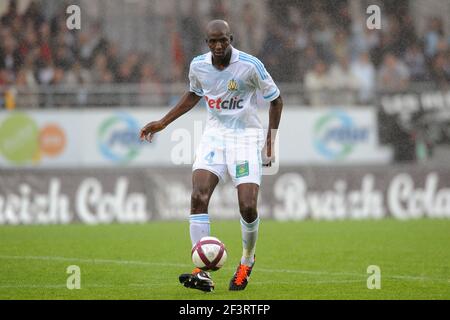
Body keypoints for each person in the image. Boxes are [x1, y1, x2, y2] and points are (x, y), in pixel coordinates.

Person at [139, 20, 283, 292]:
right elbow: (193, 95)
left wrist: (270, 142)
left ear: (231, 39)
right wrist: (163, 122)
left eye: (223, 41)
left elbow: (276, 100)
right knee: (198, 196)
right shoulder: (198, 66)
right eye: (213, 42)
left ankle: (247, 261)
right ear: (206, 42)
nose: (218, 46)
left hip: (244, 139)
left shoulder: (250, 65)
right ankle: (201, 270)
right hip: (214, 137)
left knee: (248, 206)